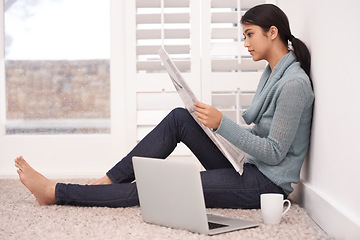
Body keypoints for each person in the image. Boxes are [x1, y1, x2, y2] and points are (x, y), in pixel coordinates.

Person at [14, 4, 314, 209]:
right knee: (180, 118)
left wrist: (222, 124)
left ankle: (56, 193)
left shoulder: (293, 85)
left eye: (249, 35)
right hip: (248, 167)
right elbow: (262, 138)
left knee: (160, 186)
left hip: (264, 185)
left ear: (272, 32)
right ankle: (107, 181)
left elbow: (274, 153)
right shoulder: (275, 74)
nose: (245, 43)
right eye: (244, 36)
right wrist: (223, 137)